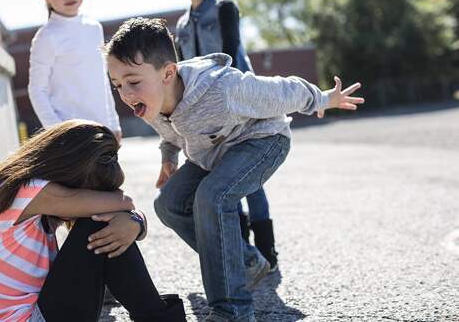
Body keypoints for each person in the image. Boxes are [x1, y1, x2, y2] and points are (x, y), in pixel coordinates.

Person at [104, 18, 364, 322]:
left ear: (168, 73)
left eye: (133, 82)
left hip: (264, 140)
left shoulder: (222, 89)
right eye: (117, 85)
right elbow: (171, 133)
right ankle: (246, 261)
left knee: (212, 197)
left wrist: (322, 98)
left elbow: (282, 90)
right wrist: (169, 160)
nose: (125, 94)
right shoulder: (150, 100)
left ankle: (233, 311)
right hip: (214, 153)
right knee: (168, 204)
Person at [0, 120, 186, 322]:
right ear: (69, 172)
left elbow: (124, 208)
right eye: (90, 193)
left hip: (33, 313)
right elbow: (123, 202)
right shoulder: (27, 190)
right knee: (98, 223)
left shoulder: (20, 189)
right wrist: (133, 219)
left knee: (104, 223)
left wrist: (135, 222)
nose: (88, 204)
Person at [175, 0, 278, 268]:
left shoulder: (224, 8)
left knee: (250, 177)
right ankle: (244, 252)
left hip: (239, 102)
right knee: (222, 176)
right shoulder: (181, 25)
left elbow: (232, 52)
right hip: (204, 112)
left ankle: (267, 252)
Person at [28, 0, 122, 140]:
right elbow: (37, 90)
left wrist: (113, 123)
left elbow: (102, 80)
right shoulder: (46, 37)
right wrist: (58, 132)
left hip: (103, 130)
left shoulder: (94, 29)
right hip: (71, 136)